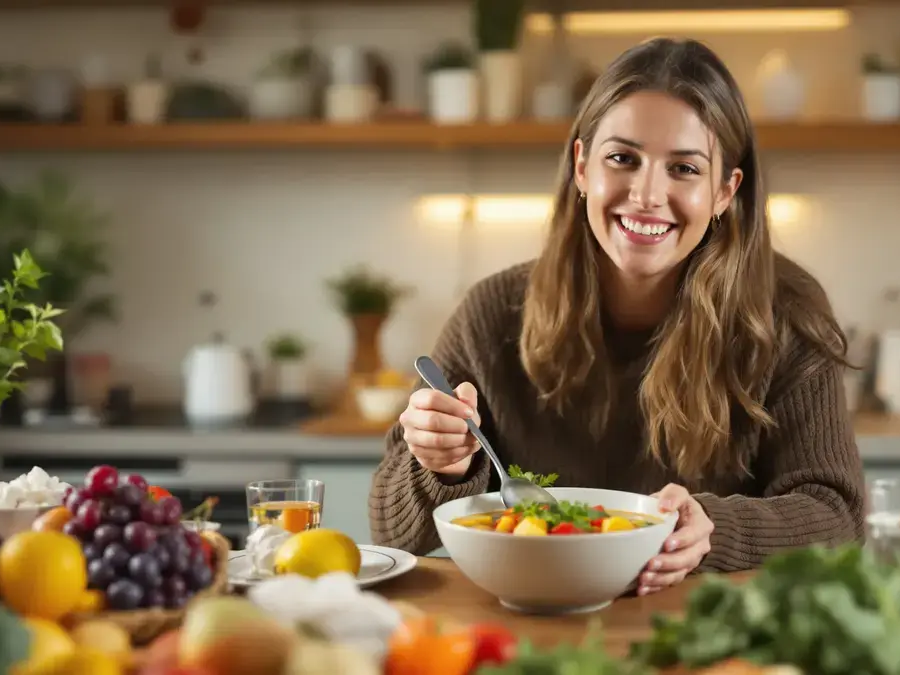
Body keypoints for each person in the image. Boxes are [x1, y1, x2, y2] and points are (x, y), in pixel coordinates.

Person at [368, 37, 865, 596]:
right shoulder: (492, 314)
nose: (647, 194)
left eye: (684, 168)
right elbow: (389, 527)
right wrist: (443, 465)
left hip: (706, 634)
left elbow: (839, 517)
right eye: (622, 159)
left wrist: (715, 530)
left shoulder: (785, 315)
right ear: (582, 165)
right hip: (533, 629)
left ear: (726, 191)